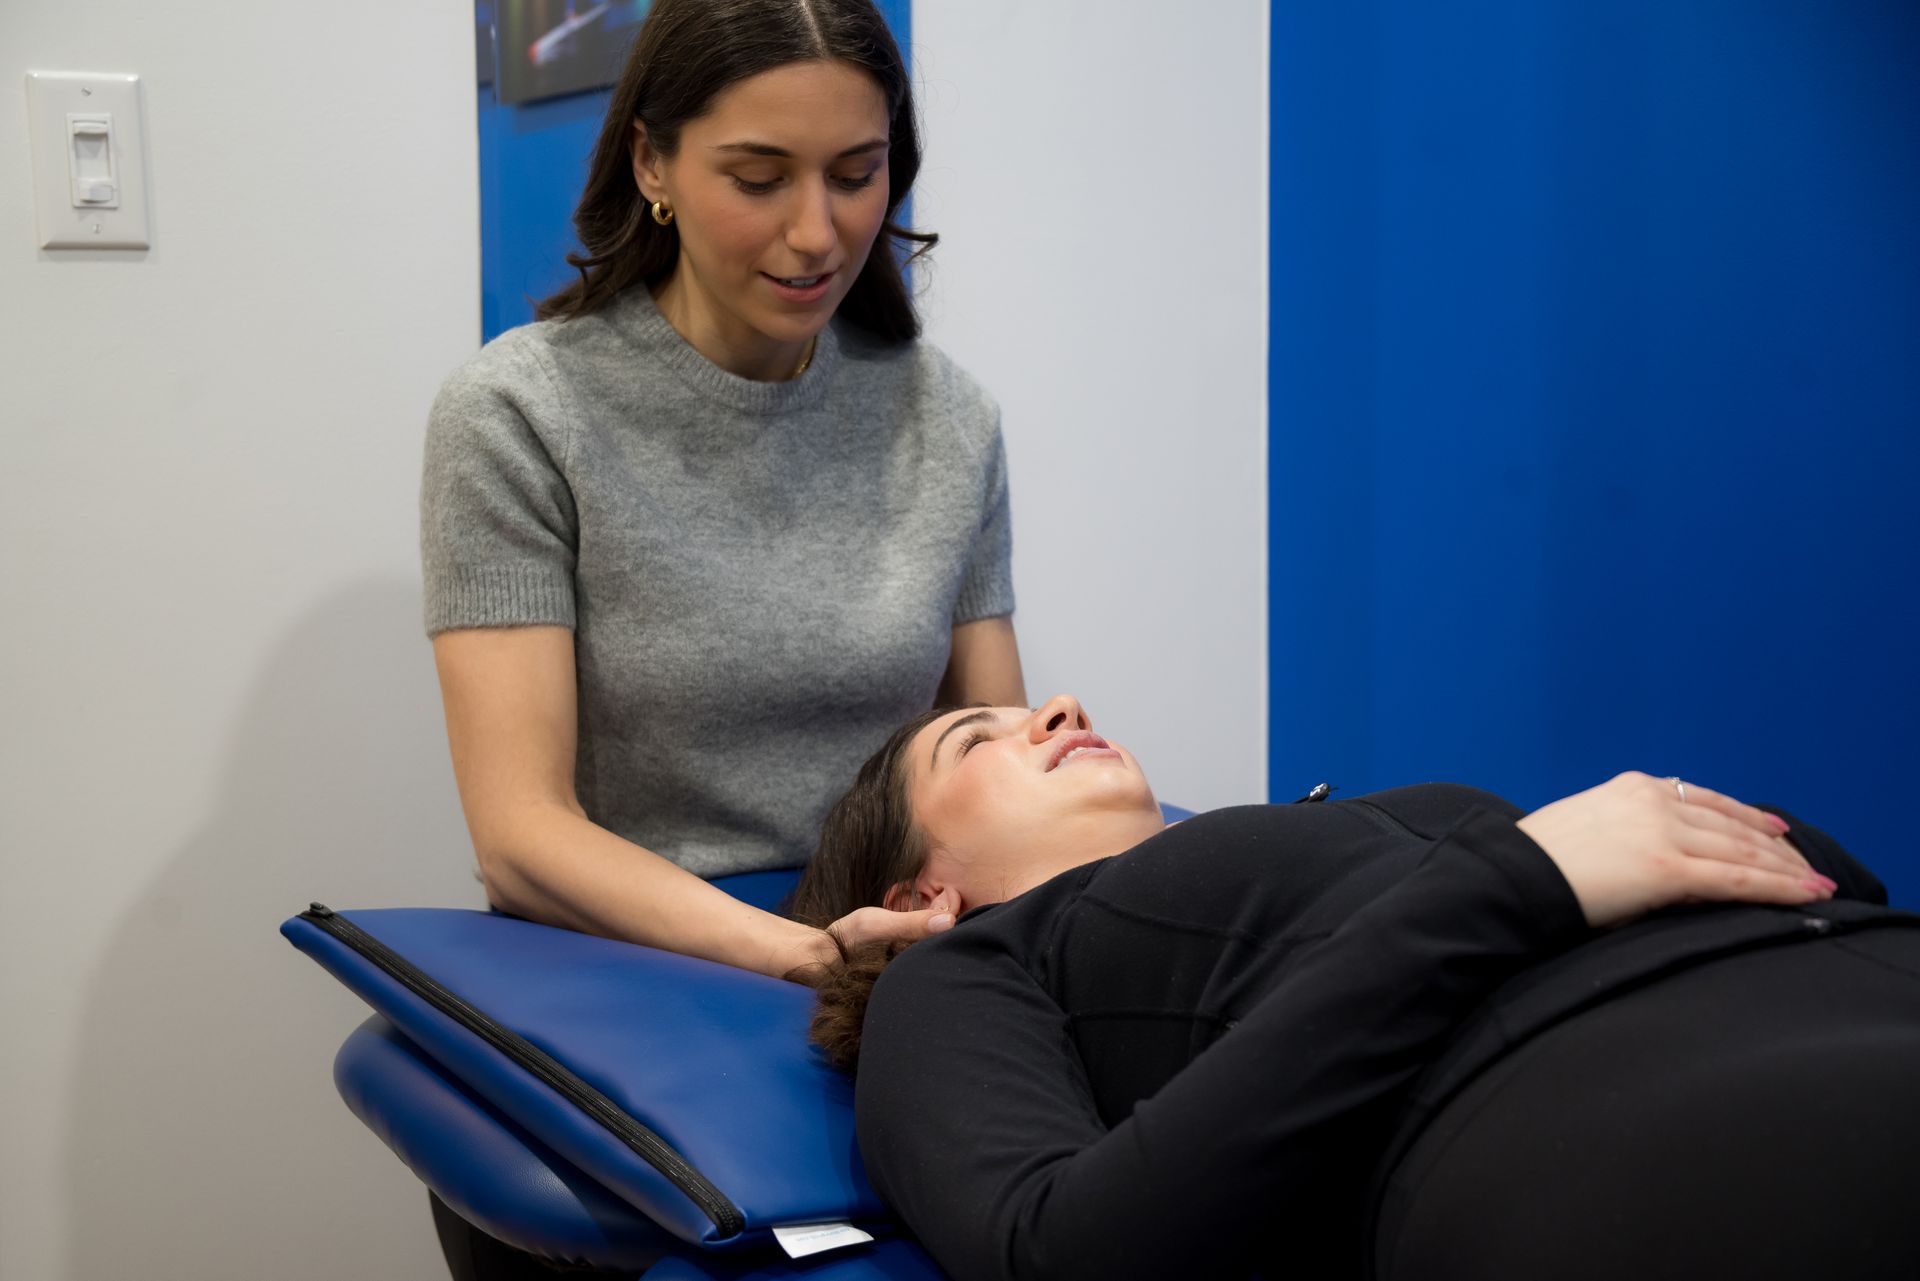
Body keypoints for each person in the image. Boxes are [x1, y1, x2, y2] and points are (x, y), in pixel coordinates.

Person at [421, 1, 1023, 1273]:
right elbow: (522, 839)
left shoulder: (944, 417)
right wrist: (804, 956)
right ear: (653, 166)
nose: (820, 233)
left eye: (858, 175)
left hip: (884, 993)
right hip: (638, 1000)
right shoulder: (520, 413)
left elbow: (992, 757)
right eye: (760, 178)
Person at [790, 696, 1920, 1281]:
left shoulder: (1313, 827)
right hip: (1632, 1117)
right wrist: (1518, 884)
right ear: (920, 890)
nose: (1060, 709)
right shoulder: (967, 969)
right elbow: (1055, 1249)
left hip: (1846, 978)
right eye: (974, 739)